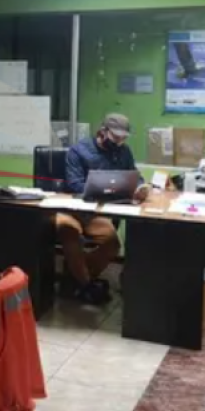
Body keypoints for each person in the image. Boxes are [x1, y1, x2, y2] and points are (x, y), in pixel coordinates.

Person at [59, 113, 150, 305]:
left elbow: (134, 174)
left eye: (123, 138)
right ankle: (85, 284)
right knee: (68, 231)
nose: (119, 142)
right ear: (102, 131)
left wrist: (140, 186)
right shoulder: (78, 151)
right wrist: (107, 189)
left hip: (97, 213)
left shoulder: (123, 152)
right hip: (73, 208)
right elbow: (74, 184)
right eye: (116, 137)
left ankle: (77, 280)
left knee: (112, 243)